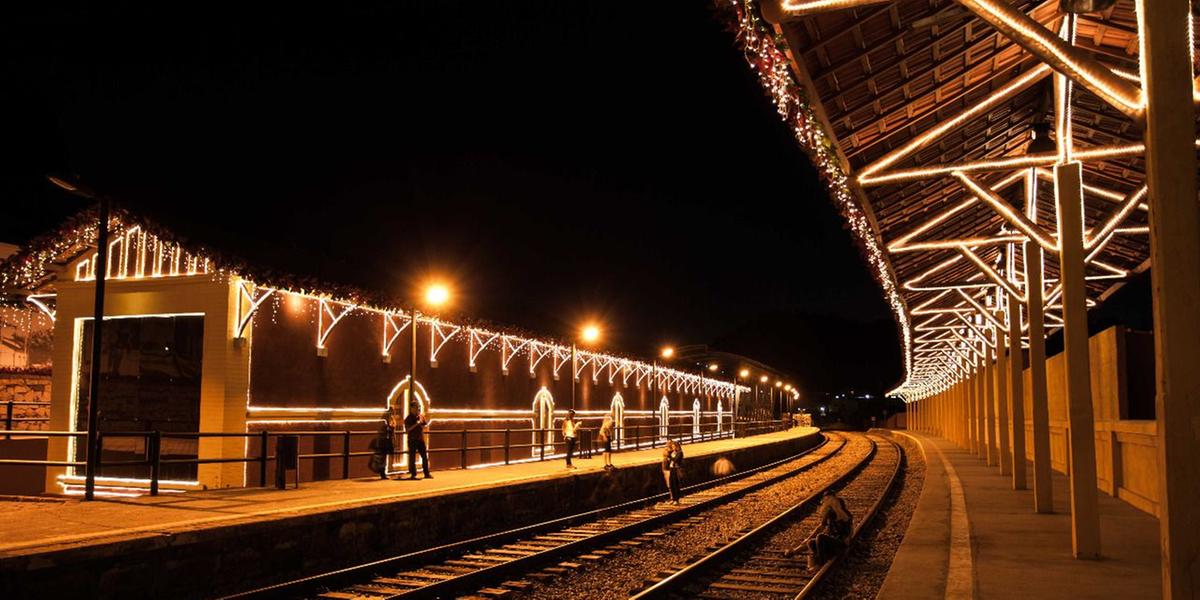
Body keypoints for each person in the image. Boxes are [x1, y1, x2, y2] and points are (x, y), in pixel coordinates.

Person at [786, 491, 853, 571]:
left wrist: (849, 538)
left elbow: (847, 522)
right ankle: (816, 561)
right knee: (811, 542)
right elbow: (820, 527)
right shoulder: (829, 514)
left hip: (840, 543)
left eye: (829, 500)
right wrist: (797, 548)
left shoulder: (843, 513)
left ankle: (821, 564)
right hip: (832, 542)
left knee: (820, 537)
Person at [404, 401, 432, 479]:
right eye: (416, 407)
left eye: (418, 407)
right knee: (412, 458)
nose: (417, 409)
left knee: (424, 456)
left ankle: (426, 473)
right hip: (412, 439)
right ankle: (413, 474)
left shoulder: (419, 416)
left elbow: (424, 425)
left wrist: (424, 419)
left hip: (420, 439)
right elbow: (407, 430)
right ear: (411, 408)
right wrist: (417, 424)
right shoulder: (408, 418)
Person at [368, 410, 397, 479]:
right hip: (384, 442)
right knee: (382, 457)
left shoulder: (386, 421)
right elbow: (388, 431)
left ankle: (383, 473)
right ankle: (383, 473)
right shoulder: (385, 423)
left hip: (385, 441)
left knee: (383, 457)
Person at [662, 439, 684, 504]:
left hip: (676, 469)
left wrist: (670, 458)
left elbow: (676, 460)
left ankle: (676, 499)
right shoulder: (673, 452)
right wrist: (670, 457)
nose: (673, 447)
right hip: (671, 469)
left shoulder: (680, 452)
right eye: (672, 446)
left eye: (674, 446)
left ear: (677, 446)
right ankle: (673, 499)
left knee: (675, 484)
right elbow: (667, 456)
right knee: (671, 484)